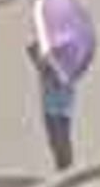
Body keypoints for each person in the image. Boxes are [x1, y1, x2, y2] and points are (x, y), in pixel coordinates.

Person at [28, 38, 78, 171]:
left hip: (57, 104)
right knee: (58, 136)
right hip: (58, 103)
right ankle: (64, 164)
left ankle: (65, 165)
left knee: (58, 136)